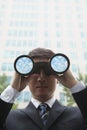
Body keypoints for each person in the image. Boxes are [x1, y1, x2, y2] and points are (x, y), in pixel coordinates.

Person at [0, 47, 87, 130]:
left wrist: (74, 85)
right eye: (35, 71)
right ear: (26, 76)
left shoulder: (80, 115)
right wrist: (13, 89)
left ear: (57, 78)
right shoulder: (8, 118)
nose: (41, 78)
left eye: (48, 71)